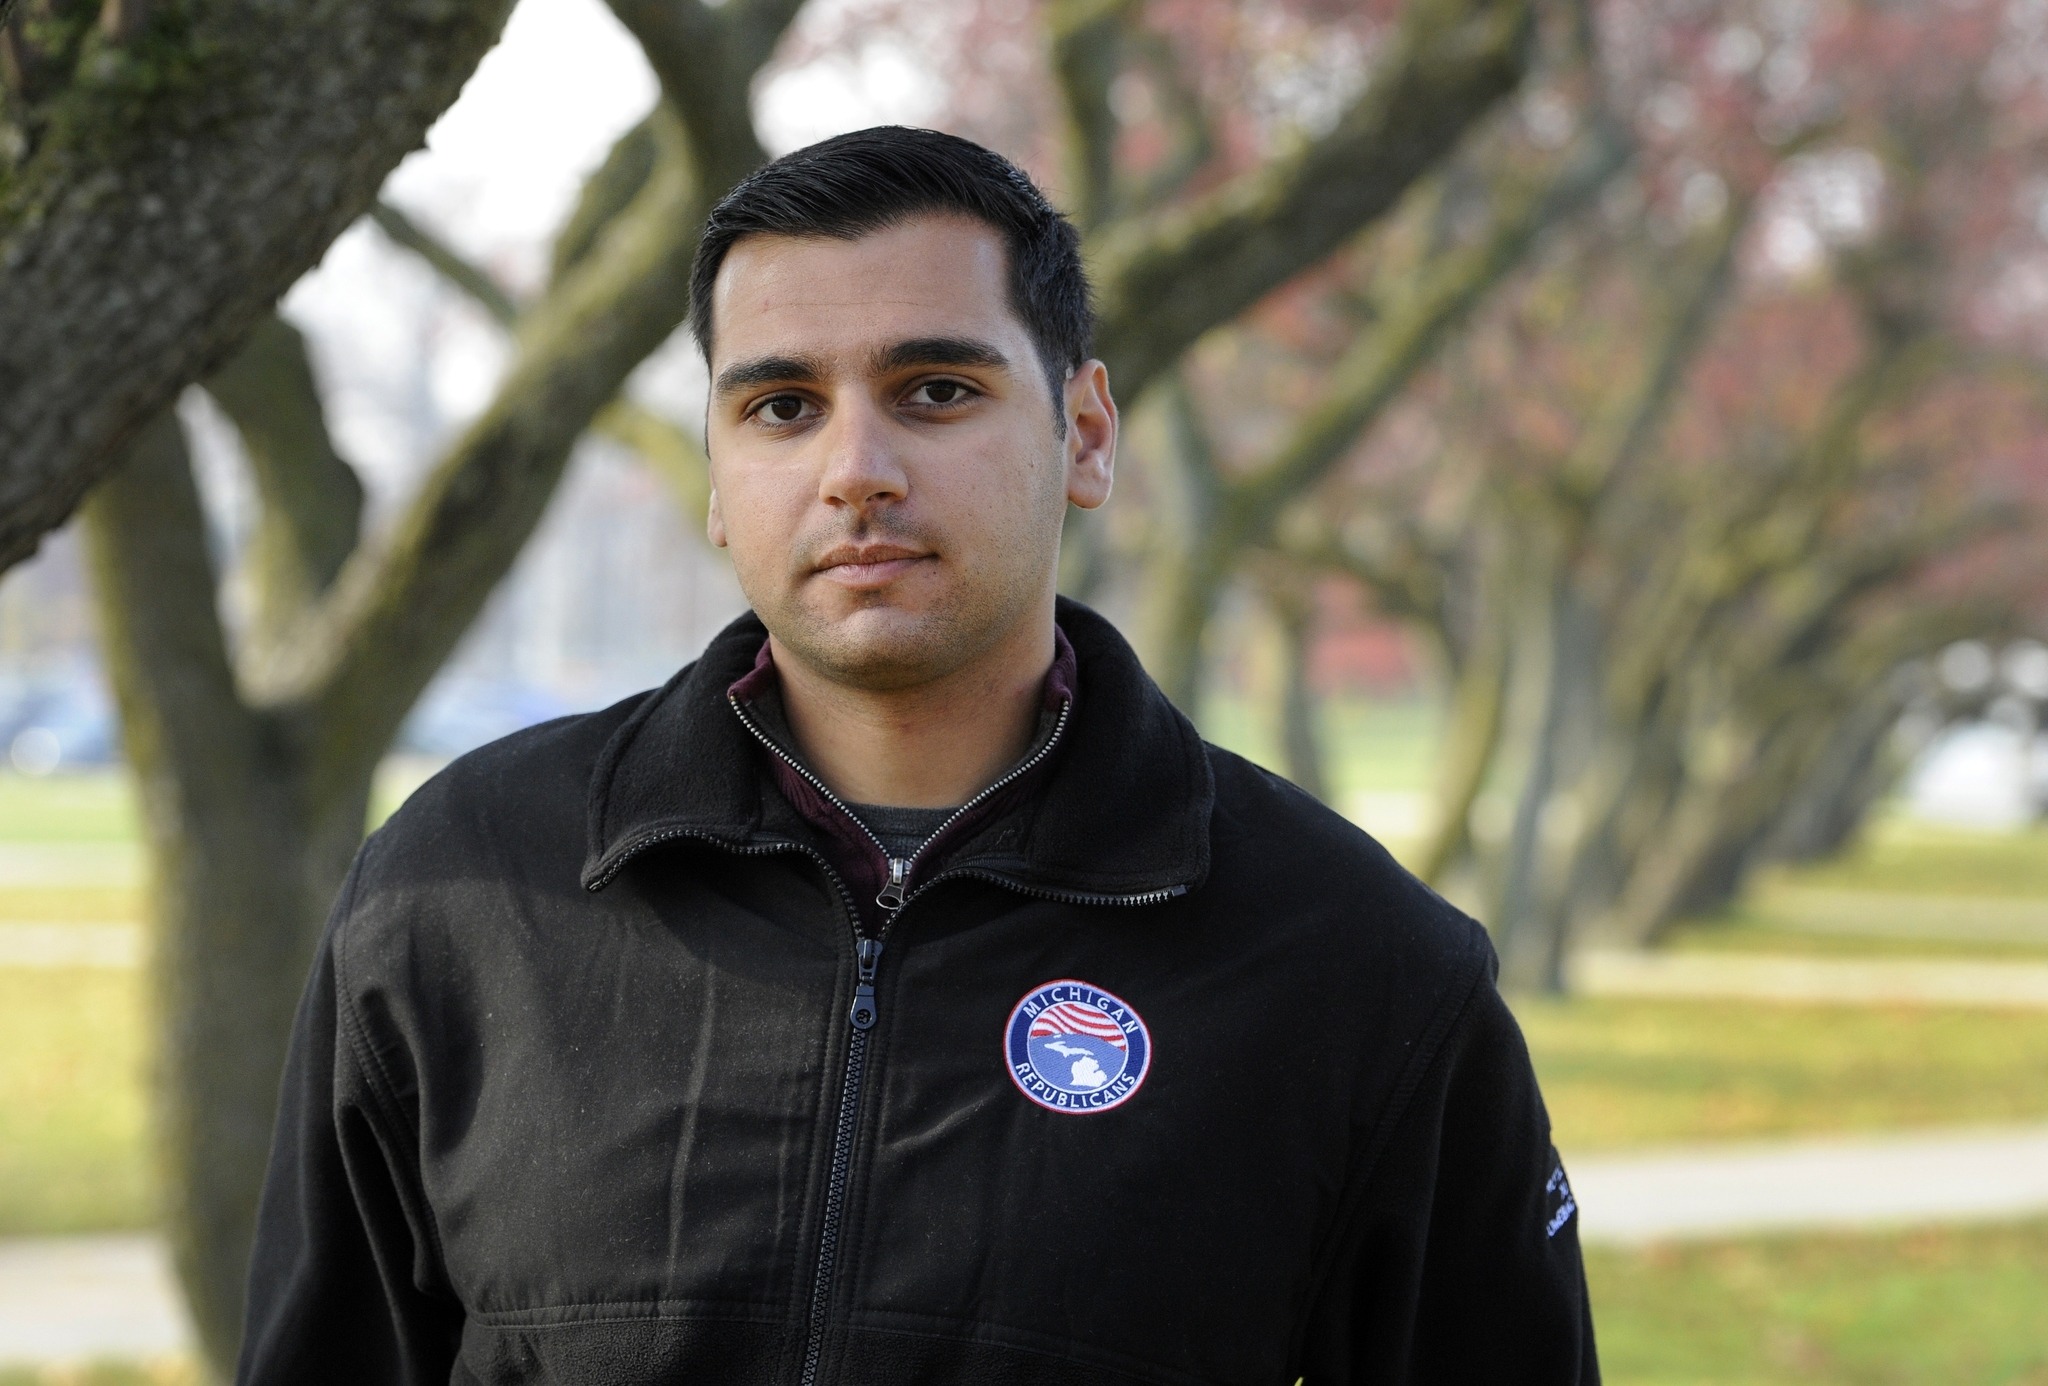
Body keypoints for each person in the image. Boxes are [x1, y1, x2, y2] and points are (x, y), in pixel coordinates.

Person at [238, 126, 1597, 1385]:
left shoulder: (1357, 963)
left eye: (935, 389)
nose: (857, 468)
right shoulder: (460, 889)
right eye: (781, 406)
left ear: (1087, 432)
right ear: (715, 473)